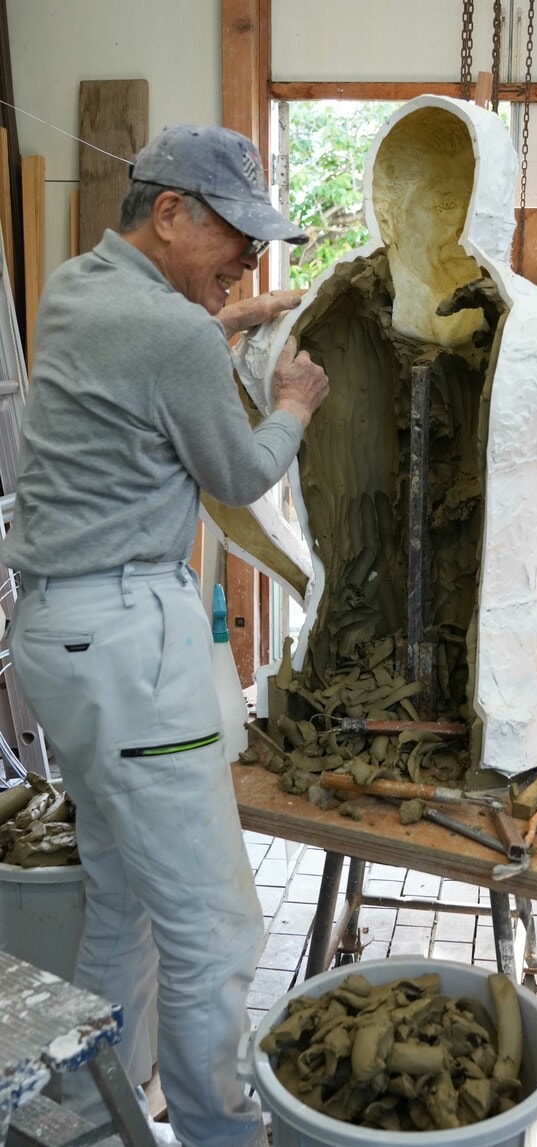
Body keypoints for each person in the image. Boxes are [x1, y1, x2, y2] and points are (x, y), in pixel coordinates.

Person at [1, 123, 329, 1147]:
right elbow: (237, 473)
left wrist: (246, 313)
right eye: (235, 234)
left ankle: (92, 1118)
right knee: (215, 928)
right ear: (172, 212)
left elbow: (170, 345)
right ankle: (220, 1134)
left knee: (126, 897)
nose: (248, 259)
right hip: (132, 644)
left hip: (57, 635)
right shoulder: (180, 337)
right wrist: (293, 404)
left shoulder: (75, 288)